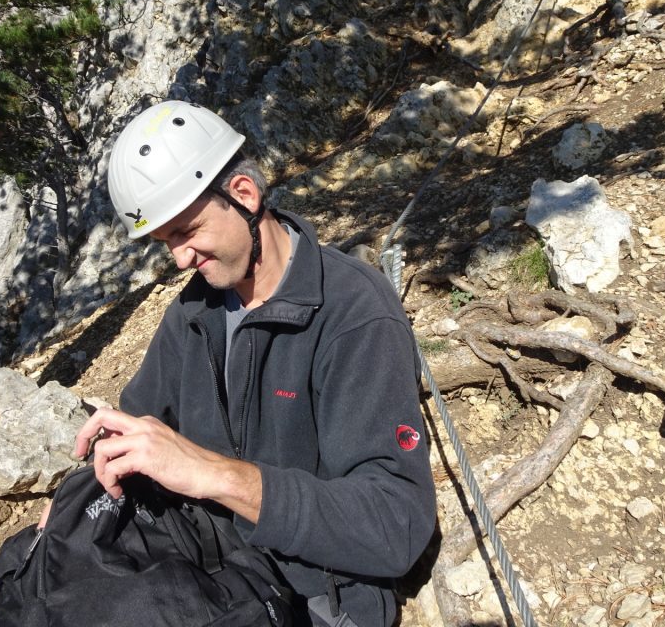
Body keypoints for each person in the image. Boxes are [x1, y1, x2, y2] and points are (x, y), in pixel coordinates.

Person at [73, 100, 437, 627]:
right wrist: (76, 502)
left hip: (312, 596)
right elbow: (141, 418)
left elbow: (394, 524)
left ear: (243, 194)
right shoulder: (197, 308)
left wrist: (213, 475)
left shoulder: (353, 315)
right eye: (164, 241)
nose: (179, 259)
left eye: (187, 230)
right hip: (210, 570)